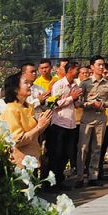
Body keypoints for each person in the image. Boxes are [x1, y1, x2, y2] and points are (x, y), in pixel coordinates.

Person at [0, 72, 54, 168]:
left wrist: (43, 123)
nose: (29, 85)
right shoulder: (11, 109)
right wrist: (39, 127)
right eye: (25, 83)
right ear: (15, 89)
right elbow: (17, 140)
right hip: (19, 162)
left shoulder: (28, 106)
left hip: (32, 160)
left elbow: (33, 133)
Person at [77, 56, 108, 188]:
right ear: (92, 67)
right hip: (87, 118)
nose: (101, 67)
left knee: (97, 148)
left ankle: (93, 176)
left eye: (103, 64)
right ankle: (80, 177)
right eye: (99, 64)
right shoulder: (85, 83)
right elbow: (78, 102)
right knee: (83, 148)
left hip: (101, 118)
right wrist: (90, 104)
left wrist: (103, 104)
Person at [47, 60, 83, 188]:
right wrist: (71, 98)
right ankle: (51, 183)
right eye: (77, 69)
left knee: (66, 154)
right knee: (56, 154)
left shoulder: (75, 85)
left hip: (71, 124)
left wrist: (77, 100)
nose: (78, 72)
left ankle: (60, 180)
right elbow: (54, 104)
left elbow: (76, 104)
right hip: (59, 124)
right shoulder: (59, 85)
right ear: (70, 70)